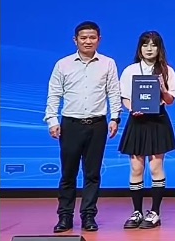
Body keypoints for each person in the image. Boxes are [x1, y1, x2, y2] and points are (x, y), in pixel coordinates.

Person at [45, 21, 121, 233]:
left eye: (92, 37)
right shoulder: (63, 64)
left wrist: (115, 118)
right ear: (75, 40)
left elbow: (113, 93)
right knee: (68, 174)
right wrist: (52, 120)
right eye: (83, 37)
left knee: (92, 174)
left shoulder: (108, 63)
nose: (88, 41)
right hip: (70, 125)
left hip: (97, 125)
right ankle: (65, 217)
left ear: (99, 39)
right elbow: (54, 94)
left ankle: (88, 216)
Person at [118, 31, 175, 230]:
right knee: (136, 168)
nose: (149, 49)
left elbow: (170, 100)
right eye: (145, 45)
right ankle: (136, 212)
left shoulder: (167, 71)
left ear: (159, 48)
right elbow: (125, 97)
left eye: (153, 45)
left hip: (158, 120)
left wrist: (162, 88)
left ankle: (154, 212)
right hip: (136, 121)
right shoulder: (130, 70)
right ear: (140, 48)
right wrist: (131, 109)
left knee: (155, 168)